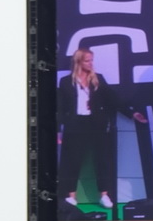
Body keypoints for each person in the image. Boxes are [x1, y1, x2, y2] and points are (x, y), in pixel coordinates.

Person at [57, 48, 147, 209]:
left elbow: (114, 99)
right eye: (87, 60)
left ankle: (104, 195)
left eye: (92, 60)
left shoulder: (97, 79)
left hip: (96, 123)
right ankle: (71, 196)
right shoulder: (65, 82)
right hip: (75, 124)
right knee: (72, 161)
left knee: (102, 160)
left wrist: (132, 113)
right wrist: (58, 129)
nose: (91, 63)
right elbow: (60, 107)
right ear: (78, 62)